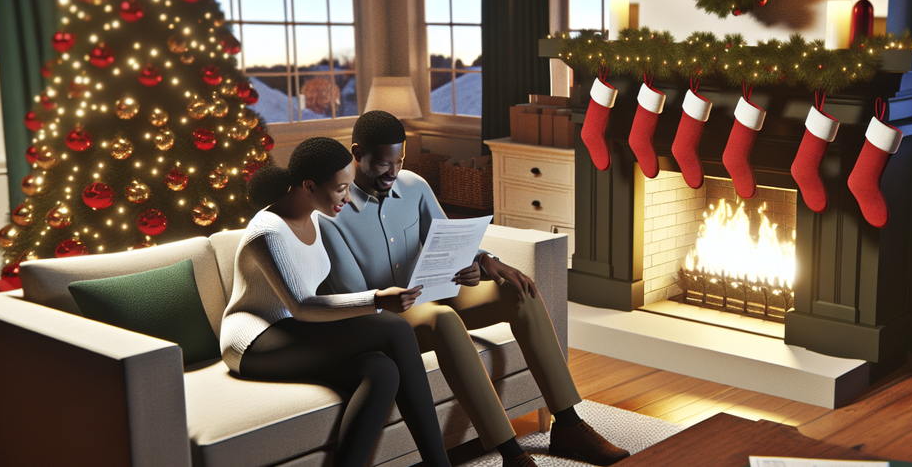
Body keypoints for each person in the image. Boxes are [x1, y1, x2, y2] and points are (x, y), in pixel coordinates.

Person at [319, 111, 631, 467]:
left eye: (399, 161)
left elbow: (447, 239)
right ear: (357, 153)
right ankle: (511, 453)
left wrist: (480, 261)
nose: (393, 172)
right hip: (387, 317)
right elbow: (357, 297)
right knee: (443, 318)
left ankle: (569, 424)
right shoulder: (332, 211)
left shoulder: (414, 186)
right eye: (382, 164)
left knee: (519, 291)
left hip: (430, 290)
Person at [220, 137, 452, 467]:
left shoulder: (316, 217)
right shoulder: (267, 232)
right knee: (395, 330)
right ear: (309, 186)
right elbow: (302, 306)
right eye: (341, 188)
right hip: (255, 341)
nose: (348, 196)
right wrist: (376, 299)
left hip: (296, 329)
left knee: (382, 371)